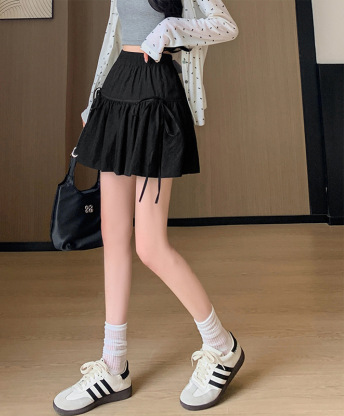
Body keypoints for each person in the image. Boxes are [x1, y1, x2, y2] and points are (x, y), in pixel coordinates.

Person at [53, 1, 243, 415]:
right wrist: (93, 99)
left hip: (157, 95)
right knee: (113, 236)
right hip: (117, 90)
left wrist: (172, 28)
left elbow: (225, 26)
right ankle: (113, 365)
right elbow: (114, 35)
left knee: (150, 246)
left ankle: (222, 346)